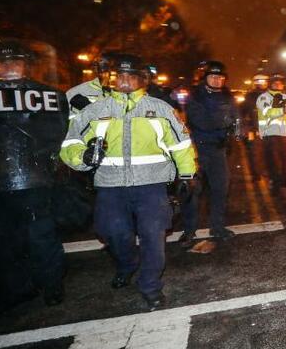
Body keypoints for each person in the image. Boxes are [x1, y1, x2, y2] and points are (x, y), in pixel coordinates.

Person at [60, 53, 196, 310]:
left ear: (141, 80)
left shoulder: (160, 109)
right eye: (119, 77)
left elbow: (181, 144)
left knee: (153, 236)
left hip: (152, 187)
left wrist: (188, 175)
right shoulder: (94, 111)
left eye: (130, 77)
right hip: (111, 186)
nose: (125, 82)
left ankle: (150, 286)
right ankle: (127, 263)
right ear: (111, 79)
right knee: (111, 232)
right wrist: (84, 157)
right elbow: (70, 144)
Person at [0, 40, 69, 309]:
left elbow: (59, 135)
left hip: (33, 179)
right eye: (3, 63)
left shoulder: (48, 95)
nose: (10, 67)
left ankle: (51, 284)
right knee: (1, 239)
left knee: (40, 234)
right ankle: (19, 288)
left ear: (26, 65)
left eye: (15, 62)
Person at [180, 60, 239, 245]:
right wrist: (225, 121)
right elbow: (200, 121)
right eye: (213, 77)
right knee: (193, 191)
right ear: (205, 78)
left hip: (219, 149)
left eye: (220, 77)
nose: (217, 81)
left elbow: (236, 117)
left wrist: (238, 128)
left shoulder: (227, 96)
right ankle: (189, 230)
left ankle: (217, 227)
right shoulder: (196, 95)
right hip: (199, 149)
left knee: (220, 189)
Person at [256, 73, 286, 190]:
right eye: (275, 82)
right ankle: (275, 183)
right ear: (270, 84)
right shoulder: (264, 97)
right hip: (270, 134)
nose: (278, 84)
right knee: (272, 161)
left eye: (280, 82)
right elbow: (268, 112)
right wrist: (284, 109)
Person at [66, 52, 113, 119]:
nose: (105, 74)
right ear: (95, 69)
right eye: (100, 66)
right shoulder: (76, 92)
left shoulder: (123, 94)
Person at [240, 73, 268, 179]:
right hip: (253, 130)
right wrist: (247, 127)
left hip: (268, 130)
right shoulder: (250, 96)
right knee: (253, 152)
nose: (261, 84)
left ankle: (264, 171)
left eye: (263, 82)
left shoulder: (272, 96)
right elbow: (242, 112)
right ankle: (256, 173)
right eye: (258, 82)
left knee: (267, 152)